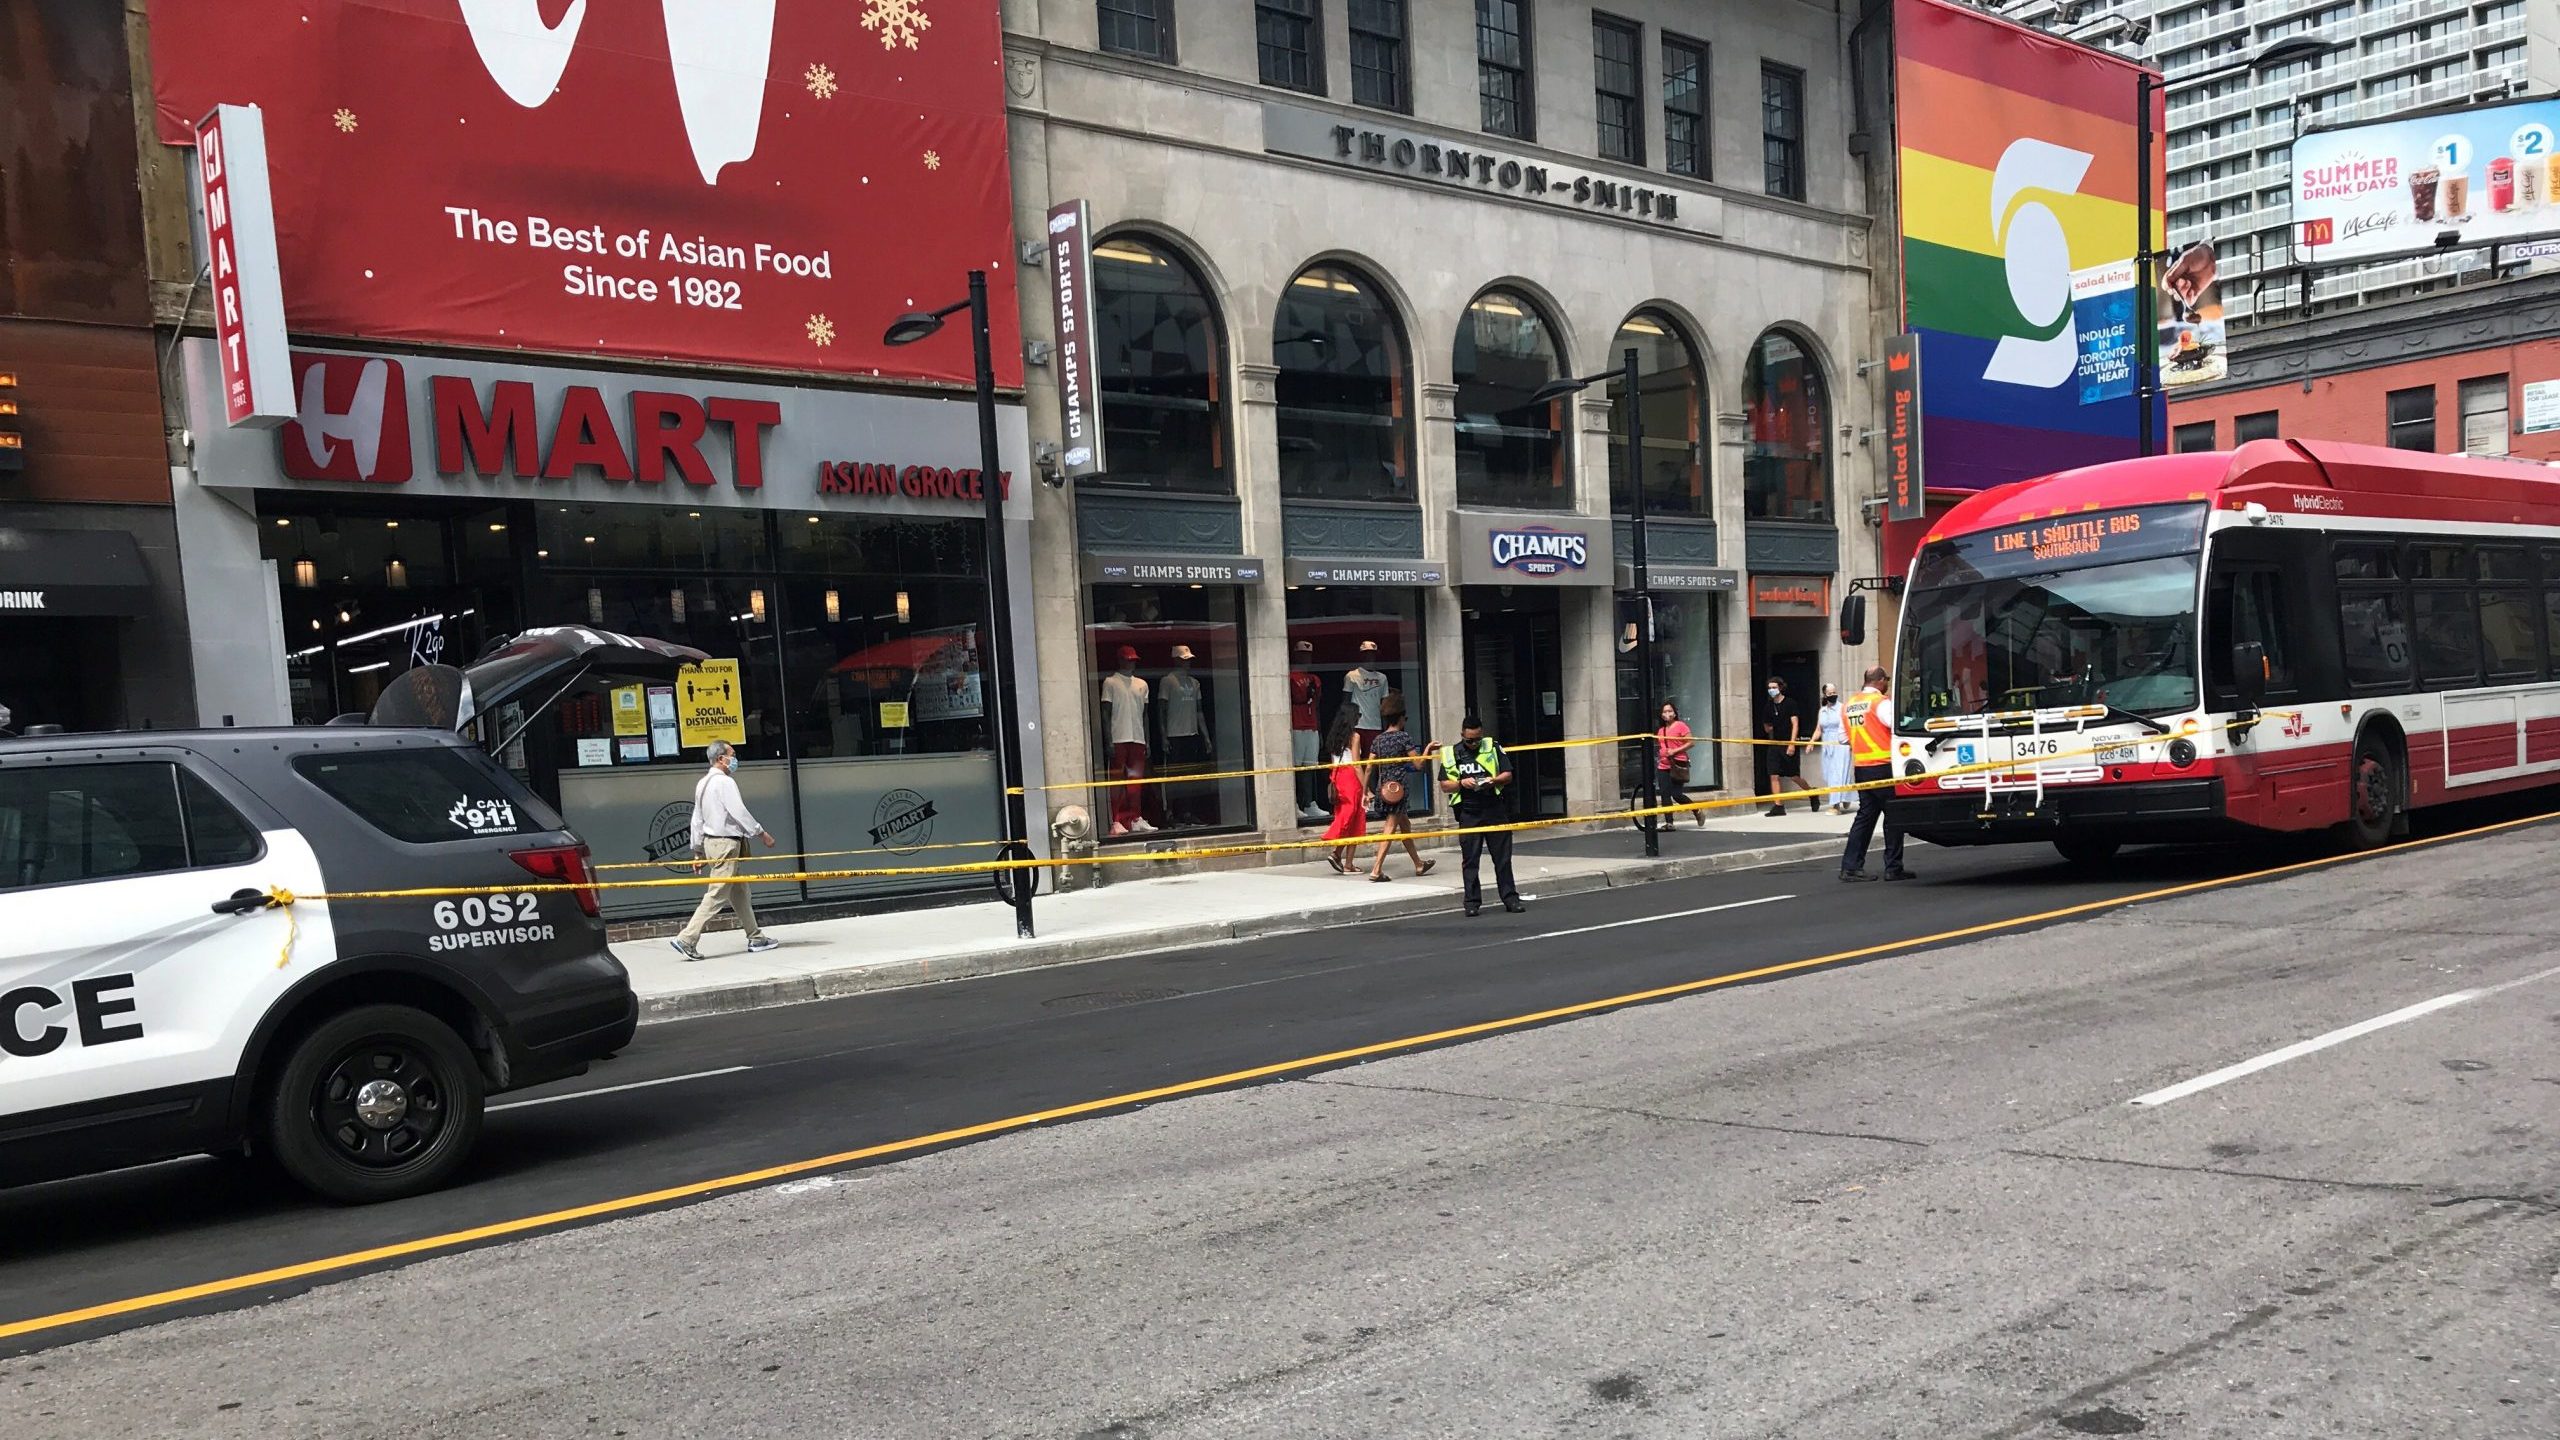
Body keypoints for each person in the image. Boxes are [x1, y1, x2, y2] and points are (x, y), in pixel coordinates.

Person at [672, 740, 781, 960]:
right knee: (718, 892)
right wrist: (761, 833)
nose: (735, 758)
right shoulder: (724, 783)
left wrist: (698, 850)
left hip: (713, 844)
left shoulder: (703, 783)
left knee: (740, 892)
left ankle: (756, 937)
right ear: (721, 759)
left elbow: (697, 819)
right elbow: (738, 812)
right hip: (726, 844)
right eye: (732, 754)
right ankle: (687, 938)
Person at [1439, 714, 1522, 915]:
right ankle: (1472, 903)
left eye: (1477, 739)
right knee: (1470, 860)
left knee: (1502, 858)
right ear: (1462, 735)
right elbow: (1444, 784)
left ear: (1481, 734)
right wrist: (1461, 783)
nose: (1474, 743)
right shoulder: (1453, 753)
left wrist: (1493, 781)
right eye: (1469, 740)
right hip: (1469, 812)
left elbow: (1508, 774)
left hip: (1494, 808)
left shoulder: (1492, 747)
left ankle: (1510, 899)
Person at [1838, 666, 1914, 883]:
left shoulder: (1849, 705)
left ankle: (1850, 867)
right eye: (1886, 679)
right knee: (1893, 816)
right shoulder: (1881, 703)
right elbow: (1898, 726)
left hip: (1862, 768)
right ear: (1880, 681)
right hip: (1883, 766)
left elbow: (1844, 739)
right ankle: (1893, 867)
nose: (1887, 683)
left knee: (1865, 817)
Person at [1365, 697, 1435, 881]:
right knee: (1390, 827)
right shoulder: (1404, 737)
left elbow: (1370, 767)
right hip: (1399, 788)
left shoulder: (1378, 740)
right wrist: (1428, 750)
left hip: (1383, 786)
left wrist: (1365, 791)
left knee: (1405, 826)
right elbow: (1418, 764)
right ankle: (1376, 869)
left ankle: (1419, 864)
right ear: (1401, 718)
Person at [1318, 700, 1368, 873]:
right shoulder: (1355, 737)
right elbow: (1356, 764)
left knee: (1347, 814)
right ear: (1352, 717)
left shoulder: (1334, 736)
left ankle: (1344, 860)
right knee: (1354, 817)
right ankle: (1342, 857)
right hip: (1351, 779)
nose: (1359, 718)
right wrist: (1367, 788)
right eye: (1358, 715)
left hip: (1338, 776)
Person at [1758, 676, 1813, 816]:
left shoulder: (1790, 703)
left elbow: (1795, 724)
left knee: (1794, 776)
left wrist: (1792, 744)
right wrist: (1769, 728)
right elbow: (1766, 725)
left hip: (1788, 742)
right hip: (1774, 744)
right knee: (1773, 774)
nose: (1772, 690)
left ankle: (1812, 792)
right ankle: (1778, 805)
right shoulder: (1768, 706)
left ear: (1781, 687)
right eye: (1769, 688)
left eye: (1774, 687)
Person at [1654, 701, 1702, 829]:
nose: (1667, 714)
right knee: (1664, 794)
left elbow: (1691, 742)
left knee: (1677, 794)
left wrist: (1674, 751)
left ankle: (1696, 810)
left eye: (1670, 711)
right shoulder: (1661, 730)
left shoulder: (1681, 726)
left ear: (1675, 713)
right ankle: (1669, 822)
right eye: (1664, 712)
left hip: (1678, 763)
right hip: (1663, 764)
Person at [1816, 684, 1854, 814]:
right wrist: (1811, 742)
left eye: (1834, 692)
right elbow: (1818, 729)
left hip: (1841, 743)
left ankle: (1835, 805)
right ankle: (1844, 796)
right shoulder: (1822, 711)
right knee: (1829, 774)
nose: (1833, 695)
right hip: (1827, 745)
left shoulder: (1843, 708)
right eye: (1829, 693)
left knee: (1837, 775)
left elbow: (1850, 726)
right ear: (1825, 695)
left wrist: (1851, 743)